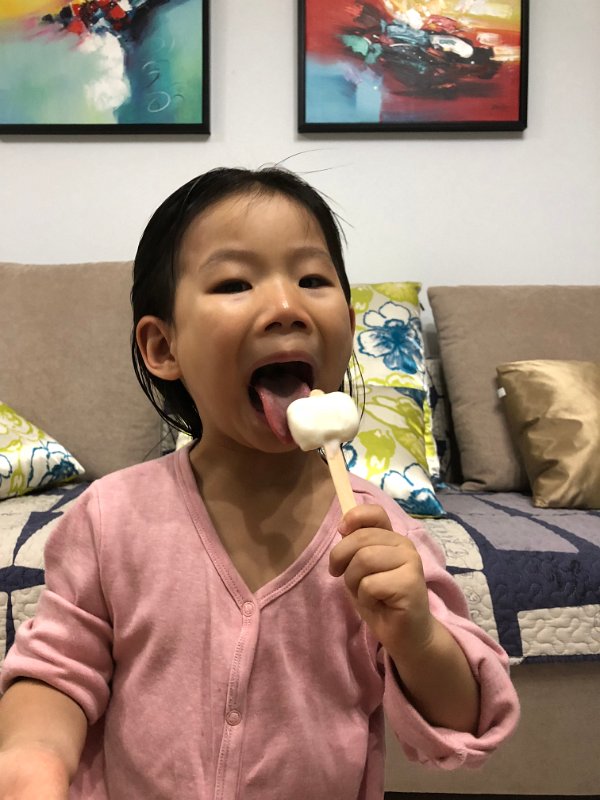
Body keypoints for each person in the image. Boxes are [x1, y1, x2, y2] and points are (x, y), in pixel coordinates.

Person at [0, 166, 519, 799]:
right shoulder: (111, 518)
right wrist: (31, 758)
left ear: (349, 324)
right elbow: (56, 672)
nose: (286, 308)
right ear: (163, 347)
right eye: (234, 283)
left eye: (312, 279)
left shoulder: (382, 536)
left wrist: (417, 637)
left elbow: (465, 721)